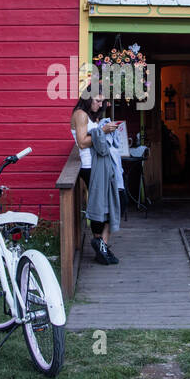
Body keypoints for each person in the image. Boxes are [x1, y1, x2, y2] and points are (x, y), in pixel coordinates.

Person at [72, 94, 123, 264]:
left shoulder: (90, 115)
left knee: (110, 204)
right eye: (97, 100)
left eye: (102, 101)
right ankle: (102, 248)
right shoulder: (80, 114)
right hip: (90, 166)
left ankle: (102, 247)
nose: (100, 104)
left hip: (100, 165)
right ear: (87, 98)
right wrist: (103, 130)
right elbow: (82, 142)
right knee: (100, 207)